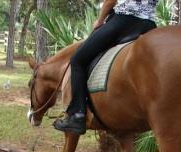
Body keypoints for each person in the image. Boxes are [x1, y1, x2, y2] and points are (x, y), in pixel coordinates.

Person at [54, 0, 158, 135]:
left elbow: (110, 1)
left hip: (124, 21)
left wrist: (99, 21)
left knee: (77, 60)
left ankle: (77, 115)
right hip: (149, 25)